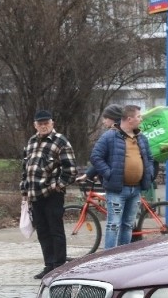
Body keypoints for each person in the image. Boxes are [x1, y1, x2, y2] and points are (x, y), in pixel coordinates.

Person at [20, 110, 78, 279]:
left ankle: (59, 266)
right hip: (34, 194)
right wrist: (24, 191)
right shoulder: (31, 142)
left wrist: (57, 185)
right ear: (35, 125)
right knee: (42, 232)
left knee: (55, 230)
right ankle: (49, 265)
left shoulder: (60, 141)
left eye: (46, 123)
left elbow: (71, 170)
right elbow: (25, 169)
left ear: (52, 123)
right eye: (40, 123)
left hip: (52, 194)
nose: (43, 126)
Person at [90, 104, 155, 249]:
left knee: (128, 225)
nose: (141, 119)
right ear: (130, 119)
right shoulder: (109, 136)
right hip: (117, 190)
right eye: (139, 116)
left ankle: (124, 256)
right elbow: (96, 157)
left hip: (135, 189)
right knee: (113, 224)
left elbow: (149, 158)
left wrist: (148, 174)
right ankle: (109, 257)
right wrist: (109, 174)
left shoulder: (141, 138)